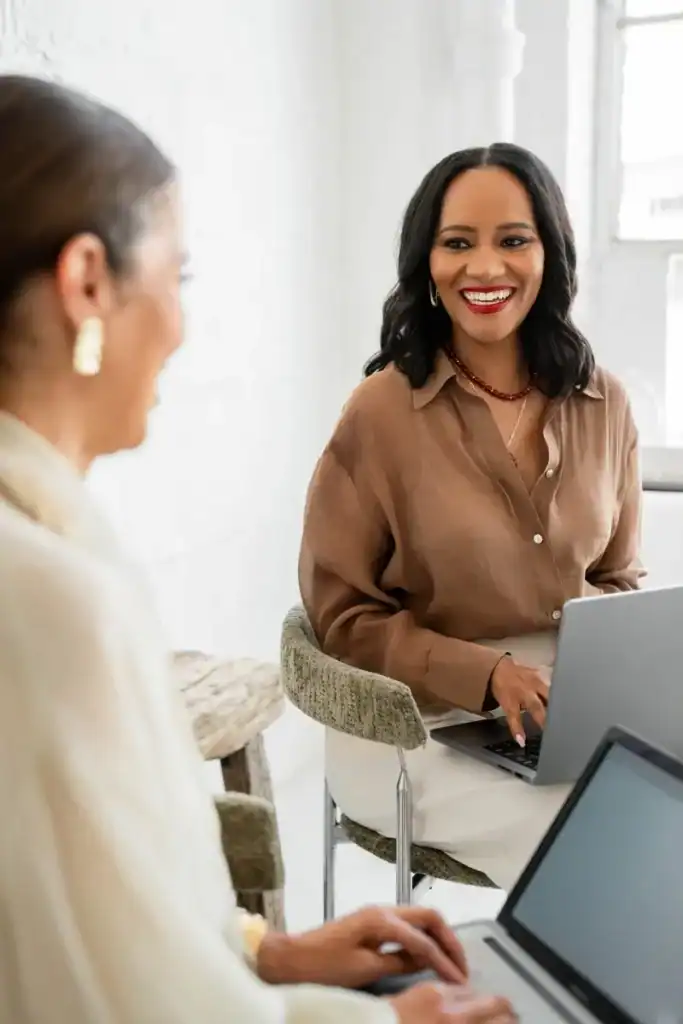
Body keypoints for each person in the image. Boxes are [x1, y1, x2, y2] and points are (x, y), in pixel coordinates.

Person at [0, 76, 516, 1024]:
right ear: (85, 283)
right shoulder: (44, 598)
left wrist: (263, 950)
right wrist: (386, 1023)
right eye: (177, 278)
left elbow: (71, 898)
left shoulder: (48, 545)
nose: (182, 327)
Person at [299, 143, 645, 890]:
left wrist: (586, 680)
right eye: (457, 243)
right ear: (426, 262)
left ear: (548, 254)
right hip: (411, 727)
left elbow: (617, 577)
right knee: (599, 839)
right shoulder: (379, 413)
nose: (485, 269)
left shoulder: (605, 403)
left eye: (512, 241)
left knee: (655, 811)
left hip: (561, 714)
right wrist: (486, 675)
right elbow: (341, 616)